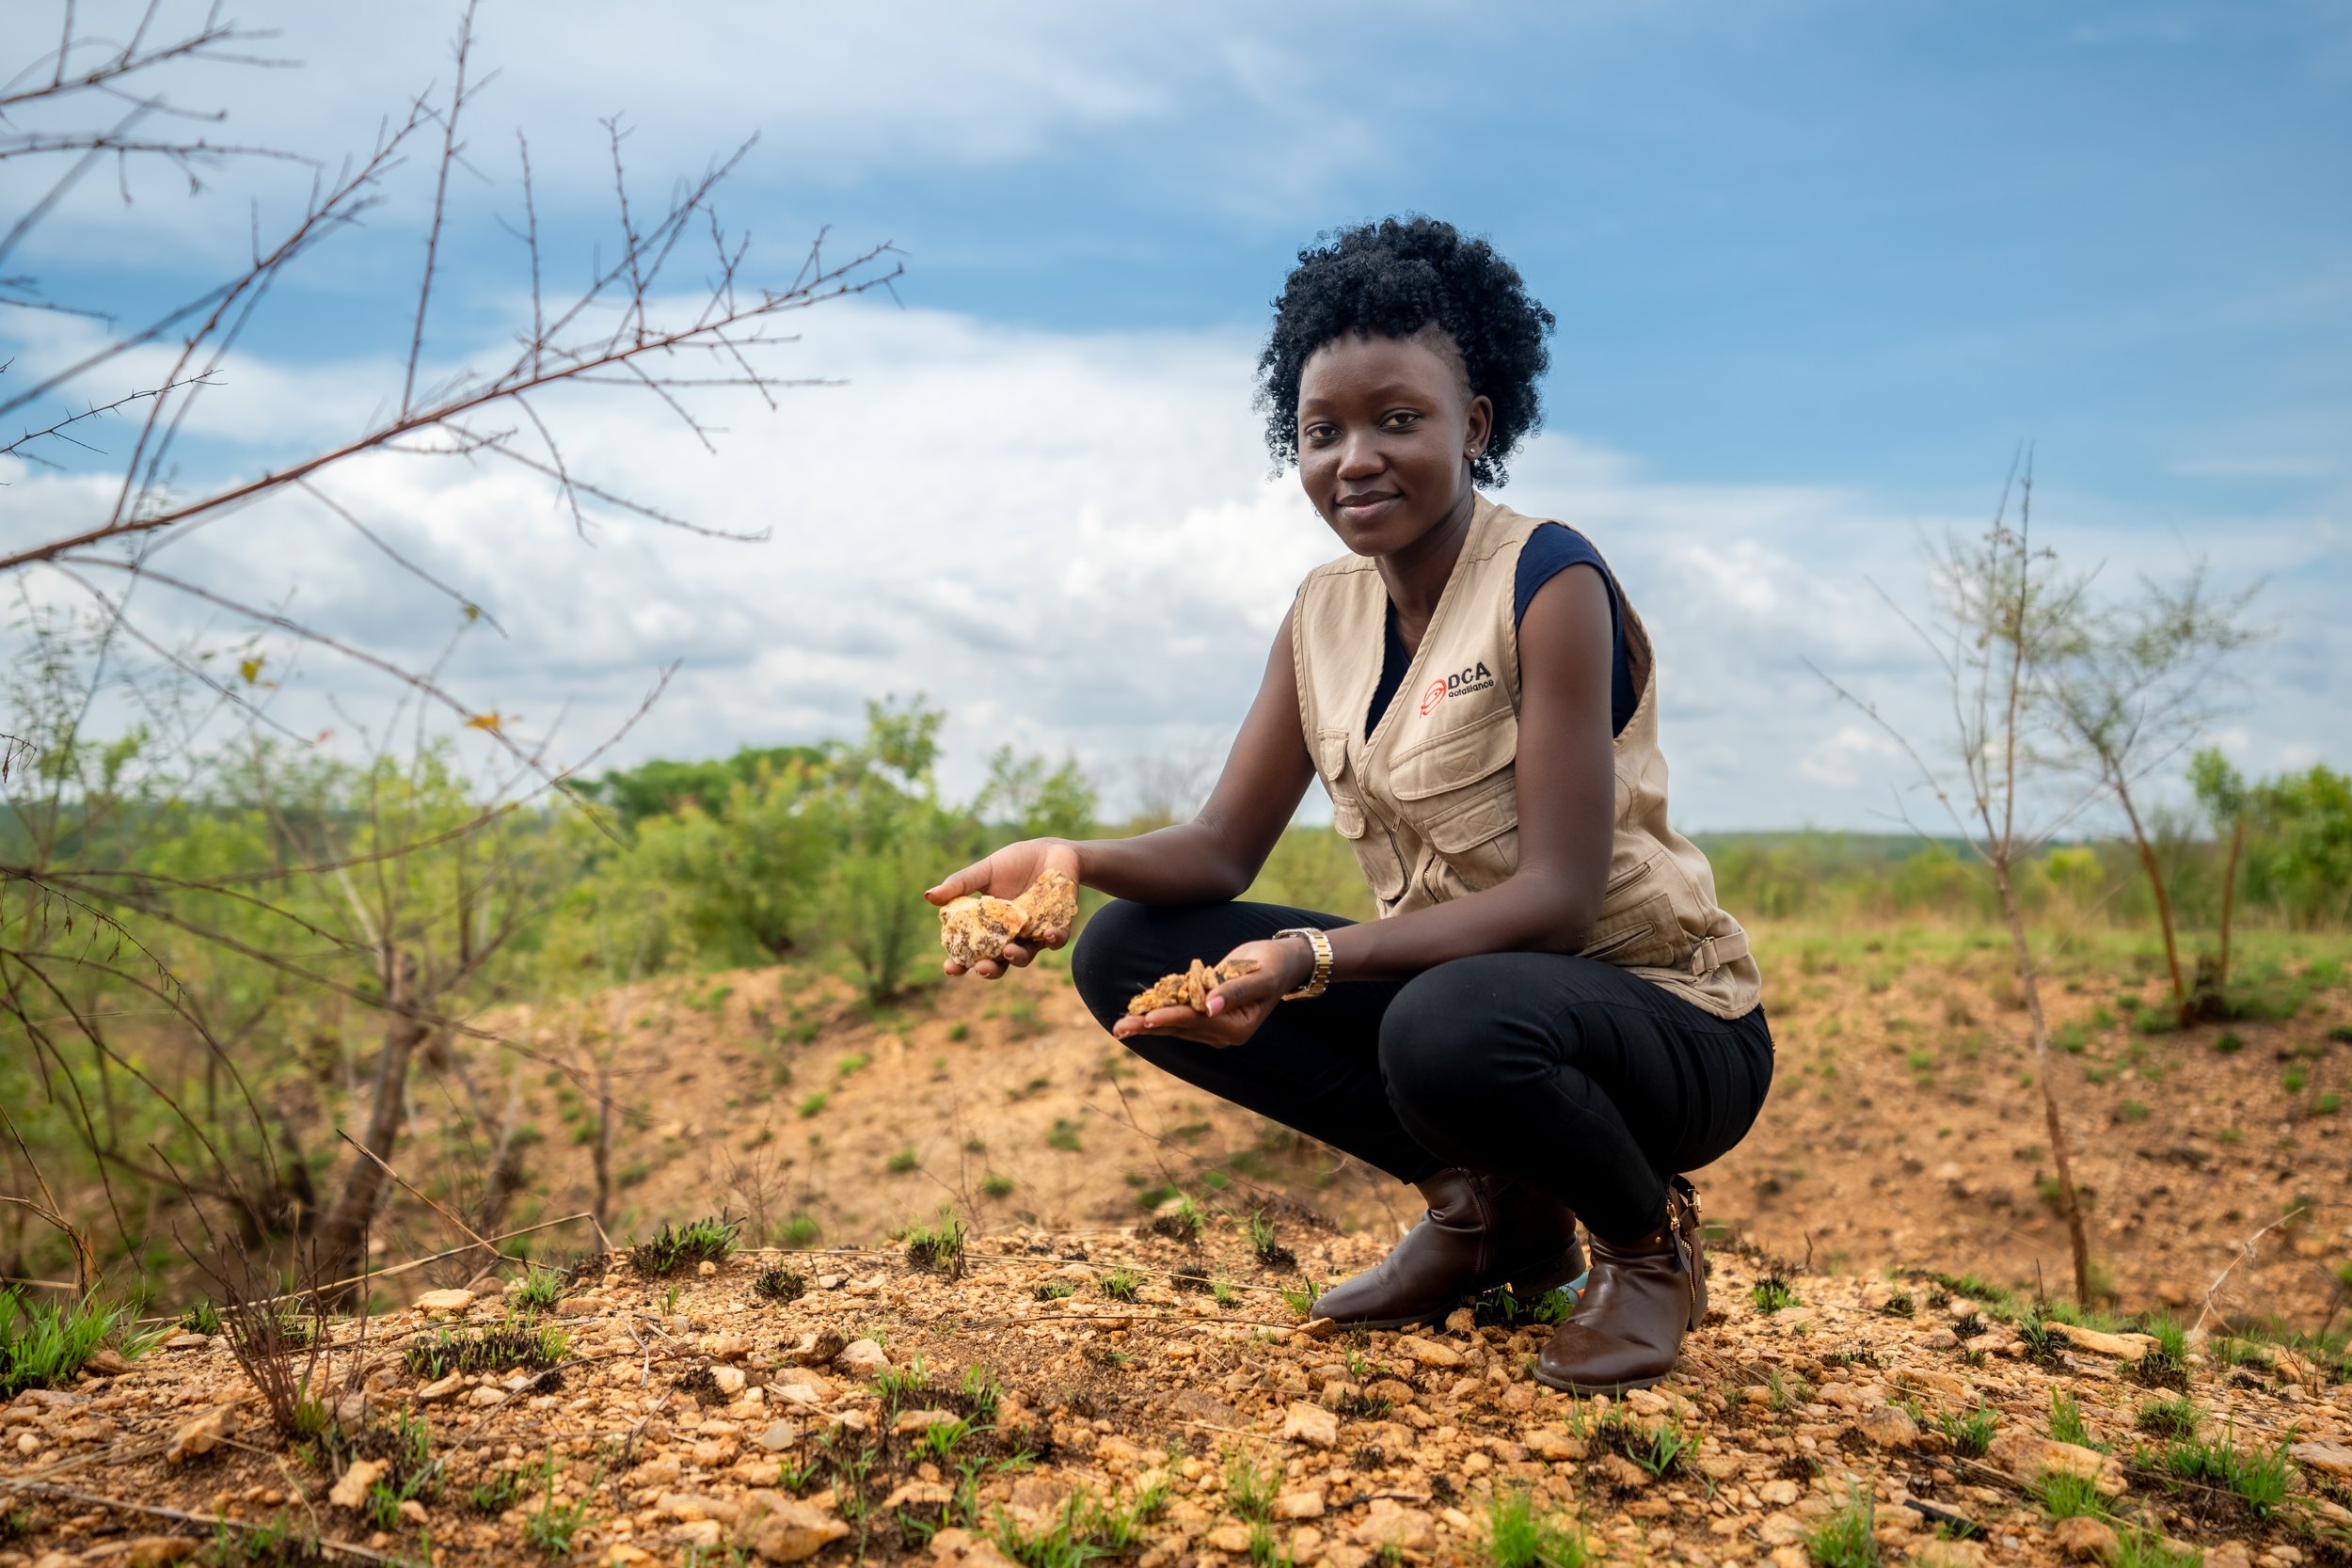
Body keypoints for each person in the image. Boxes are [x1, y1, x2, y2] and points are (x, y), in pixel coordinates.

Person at [925, 216, 1771, 1393]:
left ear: (1474, 426)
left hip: (1665, 1028)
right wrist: (1071, 855)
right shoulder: (1320, 613)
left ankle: (1642, 1246)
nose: (1354, 458)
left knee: (1442, 1020)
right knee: (1126, 949)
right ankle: (1495, 1217)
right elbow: (1219, 847)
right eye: (1322, 432)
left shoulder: (1549, 581)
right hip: (1473, 1007)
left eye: (1398, 419)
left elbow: (1557, 898)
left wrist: (1308, 959)